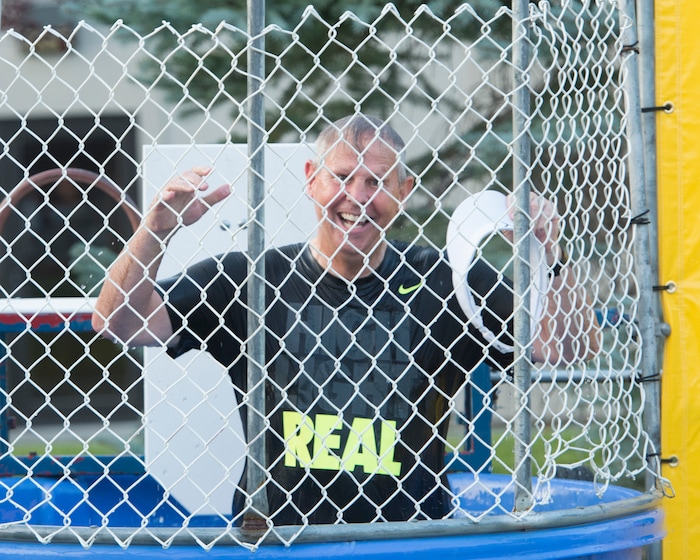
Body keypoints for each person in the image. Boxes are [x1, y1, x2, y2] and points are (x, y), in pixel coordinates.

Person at [92, 115, 600, 525]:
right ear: (312, 179)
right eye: (341, 176)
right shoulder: (252, 277)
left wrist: (547, 253)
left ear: (404, 189)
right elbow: (117, 323)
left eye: (377, 181)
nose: (357, 197)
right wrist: (155, 229)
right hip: (280, 537)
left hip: (412, 536)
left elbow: (570, 348)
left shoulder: (447, 282)